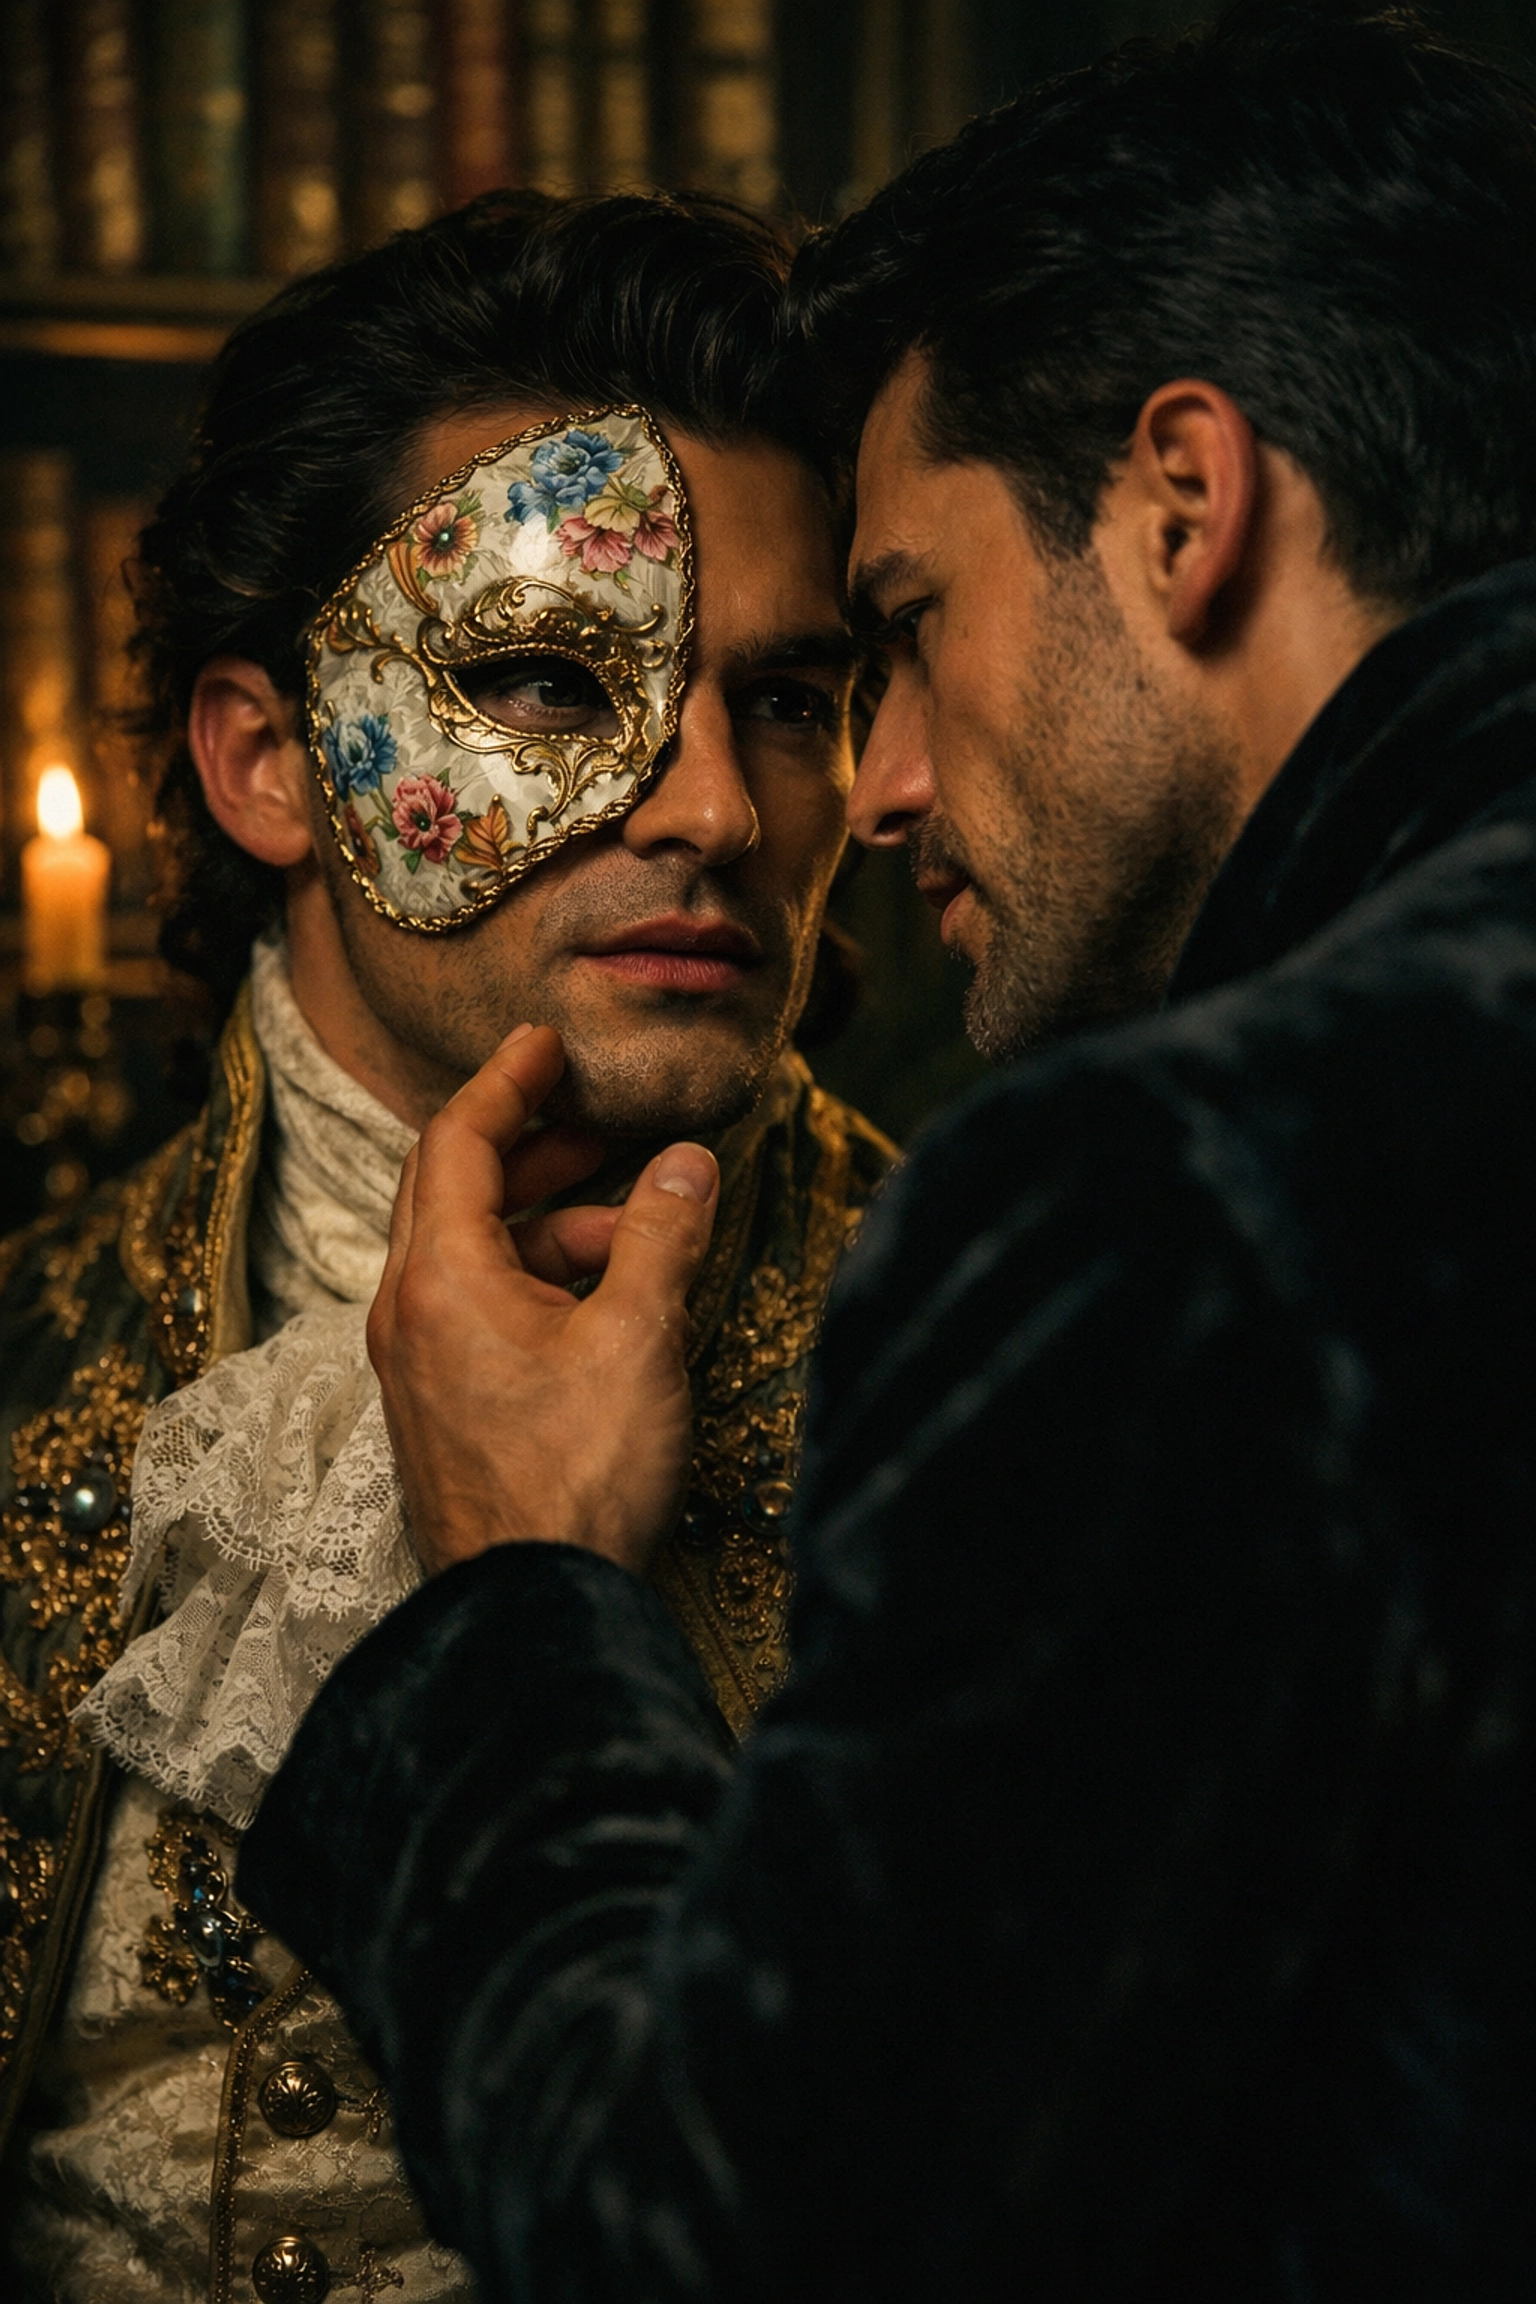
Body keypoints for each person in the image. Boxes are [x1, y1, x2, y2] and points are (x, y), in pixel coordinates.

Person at [237, 6, 1534, 2300]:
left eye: (859, 658)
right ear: (261, 760)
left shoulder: (1161, 1207)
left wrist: (516, 1594)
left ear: (1186, 504)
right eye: (548, 680)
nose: (819, 800)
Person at [0, 191, 894, 2300]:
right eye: (550, 678)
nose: (715, 811)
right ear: (268, 763)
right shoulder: (24, 1362)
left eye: (788, 702)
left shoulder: (1027, 1372)